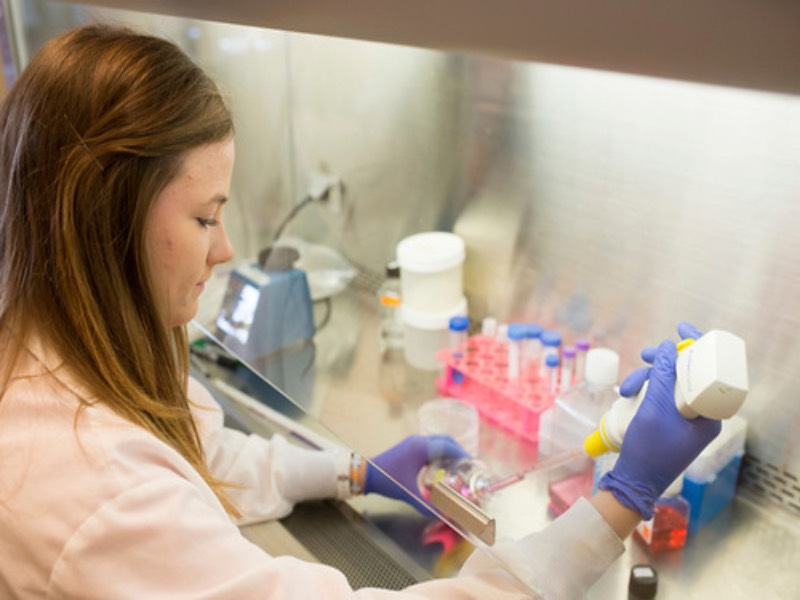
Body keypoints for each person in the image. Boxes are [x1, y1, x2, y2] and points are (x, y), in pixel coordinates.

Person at [0, 24, 721, 599]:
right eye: (203, 218)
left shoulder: (56, 351)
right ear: (106, 221)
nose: (225, 250)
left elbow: (201, 454)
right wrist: (619, 502)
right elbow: (153, 492)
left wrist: (357, 472)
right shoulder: (95, 491)